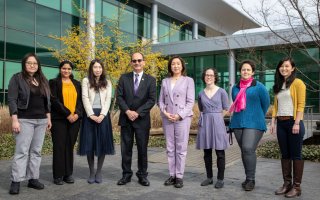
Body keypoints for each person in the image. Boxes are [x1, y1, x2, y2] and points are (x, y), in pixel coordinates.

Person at [7, 53, 51, 195]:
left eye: (35, 63)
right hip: (24, 119)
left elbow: (47, 102)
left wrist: (48, 118)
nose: (32, 65)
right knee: (22, 151)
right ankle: (16, 180)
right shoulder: (17, 78)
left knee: (36, 151)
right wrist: (15, 119)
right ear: (24, 64)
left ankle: (33, 179)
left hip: (41, 120)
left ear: (38, 66)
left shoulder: (42, 79)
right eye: (29, 63)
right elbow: (12, 99)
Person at [116, 52, 156, 187]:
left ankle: (142, 175)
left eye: (139, 60)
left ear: (144, 62)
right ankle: (126, 175)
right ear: (131, 63)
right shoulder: (123, 78)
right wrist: (127, 111)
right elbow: (119, 97)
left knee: (142, 149)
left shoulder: (151, 80)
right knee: (125, 149)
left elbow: (151, 100)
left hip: (142, 120)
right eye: (134, 61)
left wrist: (137, 113)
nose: (137, 63)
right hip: (126, 119)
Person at [229, 60, 270, 191]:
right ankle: (247, 178)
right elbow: (235, 105)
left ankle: (251, 180)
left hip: (255, 123)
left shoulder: (259, 86)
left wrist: (256, 116)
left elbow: (266, 104)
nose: (245, 72)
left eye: (248, 70)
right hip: (237, 122)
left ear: (253, 72)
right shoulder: (235, 88)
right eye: (243, 69)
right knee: (245, 151)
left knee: (248, 148)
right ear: (240, 72)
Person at [270, 57, 306, 198]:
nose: (283, 68)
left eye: (286, 66)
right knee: (285, 155)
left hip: (293, 123)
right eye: (281, 66)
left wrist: (297, 123)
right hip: (281, 124)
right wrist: (273, 122)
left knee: (296, 155)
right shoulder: (279, 84)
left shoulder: (298, 83)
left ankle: (297, 187)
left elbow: (301, 105)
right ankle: (287, 184)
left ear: (292, 68)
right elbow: (276, 106)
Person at [158, 55, 195, 188]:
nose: (175, 66)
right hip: (168, 117)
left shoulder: (188, 80)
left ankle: (179, 176)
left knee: (181, 148)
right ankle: (172, 175)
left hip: (182, 118)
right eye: (173, 64)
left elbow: (190, 101)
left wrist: (180, 115)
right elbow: (161, 100)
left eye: (178, 64)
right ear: (170, 66)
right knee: (170, 147)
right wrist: (164, 112)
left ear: (182, 66)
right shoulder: (165, 81)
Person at [79, 59, 115, 184]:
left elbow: (108, 100)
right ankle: (91, 172)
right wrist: (91, 114)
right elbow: (85, 98)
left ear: (102, 69)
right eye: (95, 67)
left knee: (102, 144)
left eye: (99, 67)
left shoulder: (108, 82)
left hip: (103, 116)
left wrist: (102, 114)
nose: (97, 69)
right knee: (90, 144)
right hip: (89, 116)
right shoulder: (86, 81)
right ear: (91, 68)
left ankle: (99, 172)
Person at [49, 60, 82, 185]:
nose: (66, 71)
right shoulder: (53, 83)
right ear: (60, 69)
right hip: (59, 120)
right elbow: (54, 100)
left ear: (71, 70)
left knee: (69, 146)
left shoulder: (77, 84)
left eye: (68, 69)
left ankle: (68, 174)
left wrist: (77, 114)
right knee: (59, 146)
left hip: (75, 120)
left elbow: (81, 101)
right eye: (64, 68)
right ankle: (58, 175)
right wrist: (68, 114)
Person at [196, 68, 229, 189]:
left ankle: (220, 179)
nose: (208, 77)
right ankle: (209, 177)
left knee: (220, 152)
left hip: (218, 123)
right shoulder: (200, 93)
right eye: (206, 75)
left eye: (211, 75)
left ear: (215, 77)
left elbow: (226, 108)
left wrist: (218, 118)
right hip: (205, 123)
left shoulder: (221, 92)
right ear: (204, 77)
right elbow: (201, 108)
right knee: (207, 152)